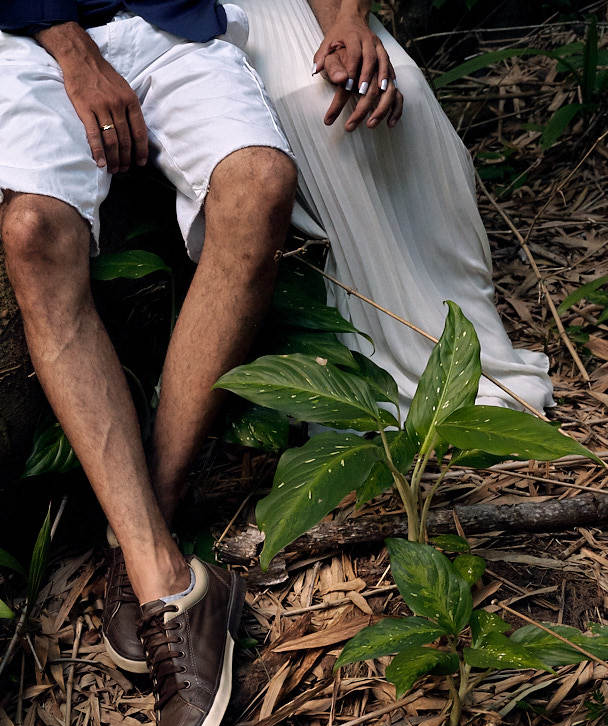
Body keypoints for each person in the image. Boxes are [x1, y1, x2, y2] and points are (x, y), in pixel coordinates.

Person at [0, 0, 299, 726]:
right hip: (39, 37)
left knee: (260, 185)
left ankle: (148, 534)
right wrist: (75, 54)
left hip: (174, 23)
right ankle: (165, 583)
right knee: (33, 232)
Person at [232, 0, 555, 418]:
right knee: (317, 101)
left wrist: (349, 23)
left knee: (402, 91)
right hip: (217, 17)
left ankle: (467, 340)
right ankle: (387, 356)